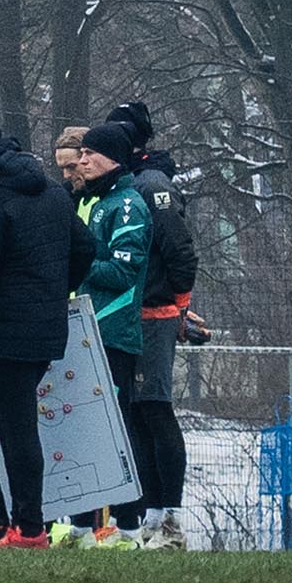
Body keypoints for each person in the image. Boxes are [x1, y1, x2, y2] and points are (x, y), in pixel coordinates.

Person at [0, 121, 96, 550]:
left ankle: (30, 528)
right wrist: (59, 288)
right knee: (19, 426)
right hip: (48, 326)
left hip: (10, 328)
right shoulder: (55, 194)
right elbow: (86, 247)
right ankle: (24, 522)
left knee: (16, 431)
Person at [107, 101, 197, 550]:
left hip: (154, 315)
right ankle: (149, 514)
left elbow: (181, 250)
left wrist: (180, 306)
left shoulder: (152, 186)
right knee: (136, 415)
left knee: (155, 409)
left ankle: (170, 519)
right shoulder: (125, 188)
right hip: (131, 314)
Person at [69, 122, 152, 549]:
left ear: (113, 157)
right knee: (83, 429)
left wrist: (77, 262)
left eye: (89, 153)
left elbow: (123, 271)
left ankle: (129, 526)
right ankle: (82, 526)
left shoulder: (129, 206)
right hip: (85, 333)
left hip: (113, 335)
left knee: (117, 431)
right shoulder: (91, 201)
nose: (81, 161)